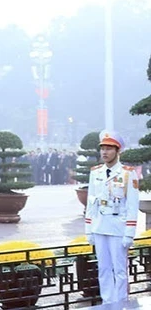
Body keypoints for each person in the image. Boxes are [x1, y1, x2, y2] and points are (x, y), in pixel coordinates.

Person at [86, 130, 139, 305]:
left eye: (109, 148)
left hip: (118, 228)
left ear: (118, 151)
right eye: (102, 148)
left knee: (120, 270)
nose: (104, 152)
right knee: (103, 269)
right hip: (100, 226)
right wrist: (89, 230)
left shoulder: (127, 173)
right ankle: (108, 303)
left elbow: (132, 205)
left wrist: (129, 233)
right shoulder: (95, 172)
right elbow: (90, 203)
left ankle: (121, 302)